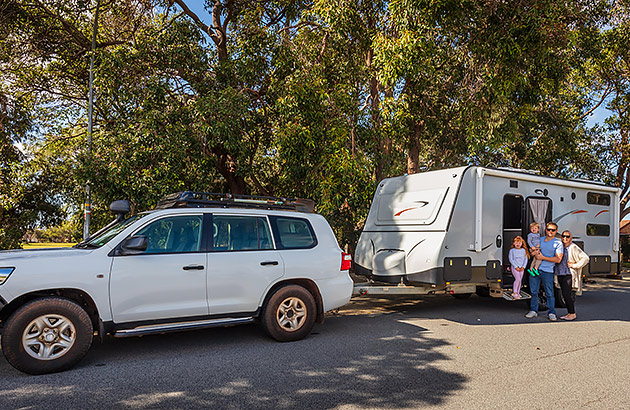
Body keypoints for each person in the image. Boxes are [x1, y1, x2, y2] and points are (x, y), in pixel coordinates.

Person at [525, 222, 563, 321]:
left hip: (548, 271)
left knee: (549, 293)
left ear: (556, 231)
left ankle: (551, 312)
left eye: (553, 230)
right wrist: (533, 252)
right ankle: (533, 311)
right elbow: (531, 251)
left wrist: (543, 257)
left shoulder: (558, 243)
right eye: (548, 229)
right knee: (533, 292)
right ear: (545, 230)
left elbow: (558, 259)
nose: (550, 232)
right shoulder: (539, 239)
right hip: (535, 269)